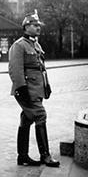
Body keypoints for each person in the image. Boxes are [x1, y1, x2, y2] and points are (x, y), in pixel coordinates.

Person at [8, 10, 60, 167]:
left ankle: (22, 156)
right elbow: (15, 70)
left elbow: (41, 68)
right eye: (35, 25)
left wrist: (46, 85)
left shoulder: (35, 44)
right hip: (26, 90)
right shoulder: (19, 46)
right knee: (40, 115)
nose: (38, 28)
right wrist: (21, 90)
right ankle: (45, 156)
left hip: (36, 90)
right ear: (26, 27)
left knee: (27, 119)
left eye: (39, 25)